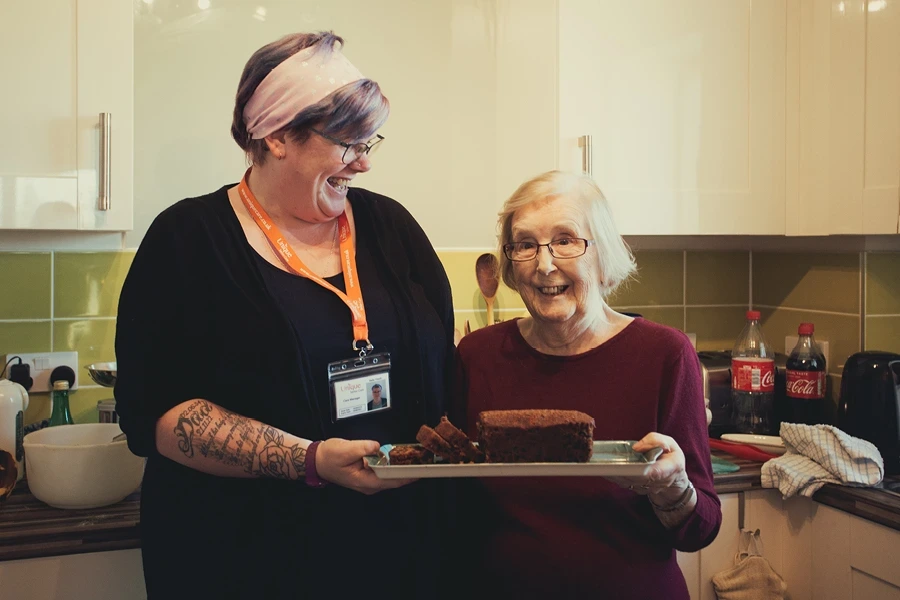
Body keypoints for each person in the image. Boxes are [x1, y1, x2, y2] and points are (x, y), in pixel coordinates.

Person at [114, 31, 455, 599]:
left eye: (371, 141)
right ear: (276, 136)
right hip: (240, 556)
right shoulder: (187, 241)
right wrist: (308, 460)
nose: (364, 163)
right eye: (347, 143)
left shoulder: (391, 228)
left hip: (395, 550)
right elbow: (155, 416)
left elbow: (441, 362)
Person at [451, 170, 721, 599]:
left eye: (565, 240)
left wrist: (673, 491)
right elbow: (458, 510)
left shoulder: (663, 355)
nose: (543, 264)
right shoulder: (478, 355)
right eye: (524, 244)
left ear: (602, 254)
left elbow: (701, 528)